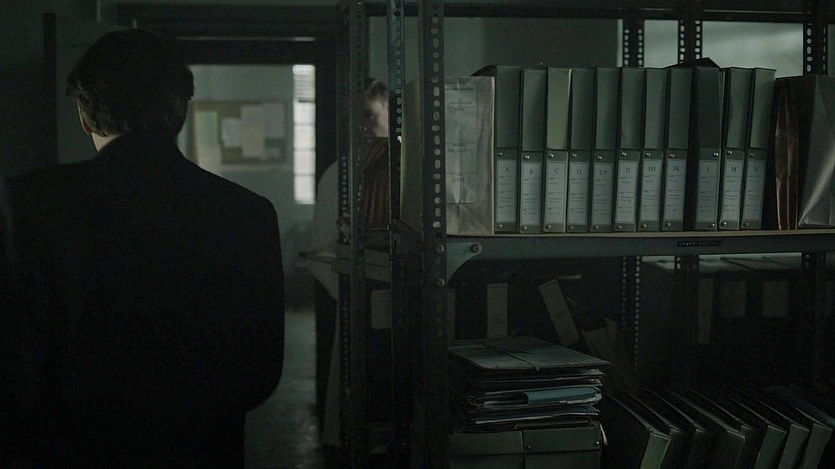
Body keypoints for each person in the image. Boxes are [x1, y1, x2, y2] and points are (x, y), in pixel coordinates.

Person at [0, 29, 284, 467]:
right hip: (198, 449)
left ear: (84, 117)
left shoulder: (27, 204)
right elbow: (258, 373)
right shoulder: (247, 213)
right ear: (180, 111)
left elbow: (15, 360)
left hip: (65, 450)